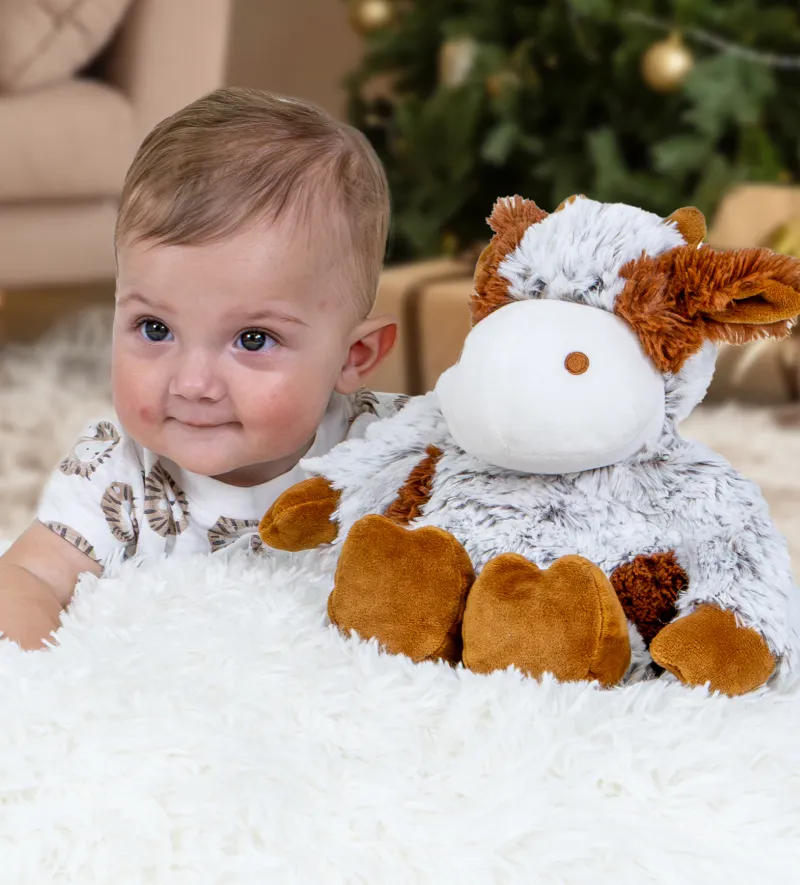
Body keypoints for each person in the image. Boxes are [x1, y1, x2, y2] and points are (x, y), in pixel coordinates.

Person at [0, 87, 402, 650]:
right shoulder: (118, 471)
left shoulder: (392, 454)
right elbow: (26, 576)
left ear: (354, 356)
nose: (192, 384)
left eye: (253, 339)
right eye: (154, 328)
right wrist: (40, 679)